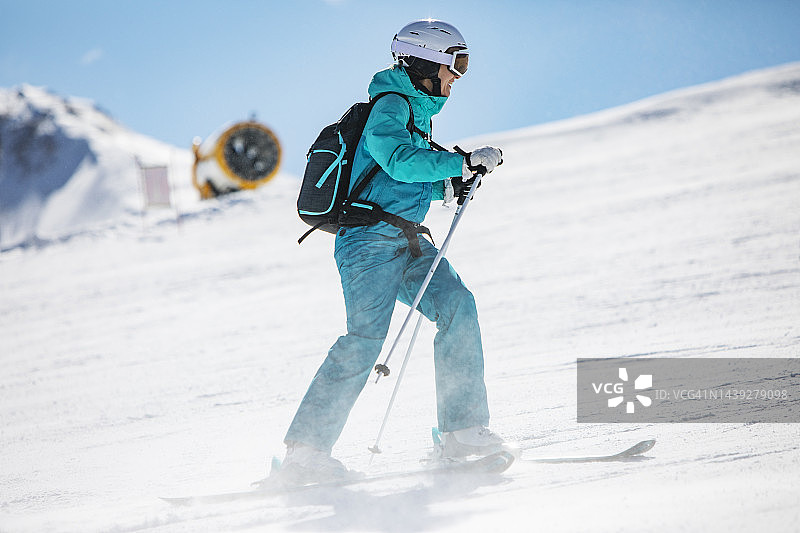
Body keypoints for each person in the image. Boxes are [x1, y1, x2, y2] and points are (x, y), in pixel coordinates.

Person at [281, 19, 505, 483]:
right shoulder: (390, 104)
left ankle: (462, 433)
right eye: (454, 64)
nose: (457, 77)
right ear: (427, 60)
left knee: (458, 306)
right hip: (368, 244)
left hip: (408, 239)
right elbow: (396, 161)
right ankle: (305, 453)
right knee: (363, 340)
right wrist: (458, 161)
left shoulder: (416, 112)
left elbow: (403, 175)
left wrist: (450, 183)